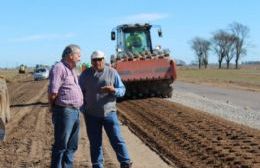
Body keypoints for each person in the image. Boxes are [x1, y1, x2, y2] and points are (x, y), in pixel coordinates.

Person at [79, 50, 132, 168]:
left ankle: (125, 162)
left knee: (117, 139)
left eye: (100, 59)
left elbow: (122, 90)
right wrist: (83, 108)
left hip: (109, 113)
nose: (97, 62)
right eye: (95, 60)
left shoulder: (112, 72)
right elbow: (79, 92)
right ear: (91, 61)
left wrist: (113, 90)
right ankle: (97, 164)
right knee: (95, 142)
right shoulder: (85, 75)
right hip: (91, 115)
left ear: (104, 59)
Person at [48, 44, 83, 168]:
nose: (80, 57)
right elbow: (53, 92)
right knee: (61, 145)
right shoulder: (59, 68)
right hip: (64, 112)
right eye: (78, 55)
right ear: (70, 55)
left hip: (75, 111)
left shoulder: (72, 70)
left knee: (72, 146)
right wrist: (53, 108)